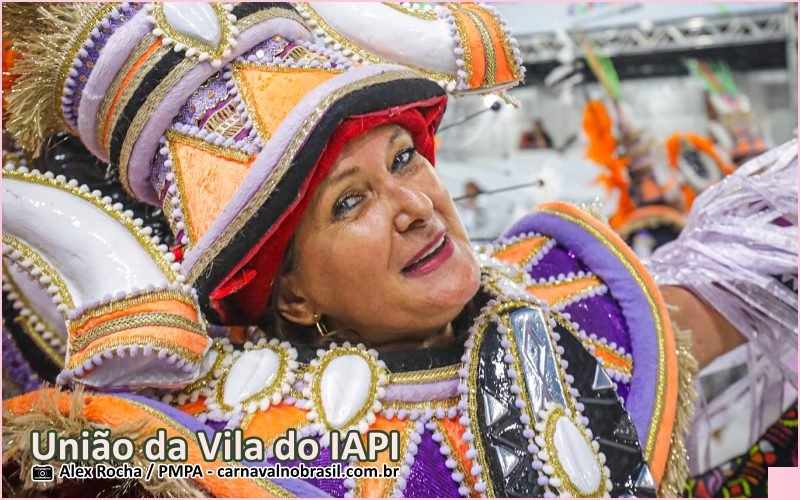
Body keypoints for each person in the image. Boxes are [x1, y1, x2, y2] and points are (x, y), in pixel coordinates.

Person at [2, 3, 794, 498]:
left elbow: (760, 274)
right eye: (350, 202)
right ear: (292, 295)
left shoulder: (572, 303)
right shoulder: (225, 450)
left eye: (404, 159)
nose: (415, 207)